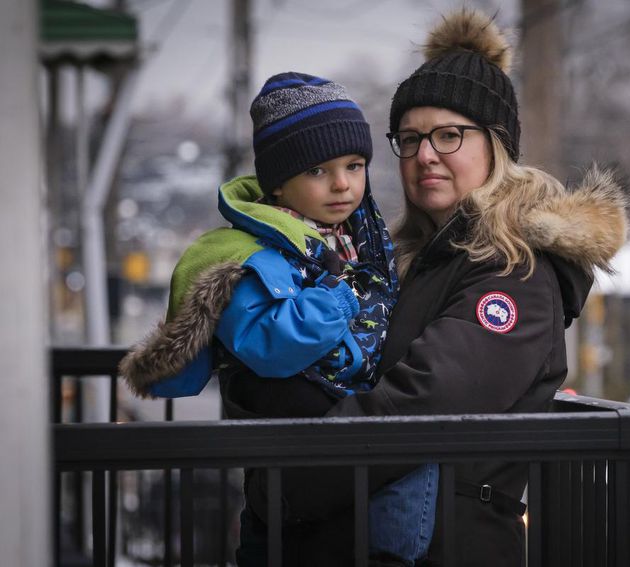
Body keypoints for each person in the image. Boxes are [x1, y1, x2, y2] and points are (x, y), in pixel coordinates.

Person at [276, 9, 630, 566]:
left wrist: (288, 479)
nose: (424, 156)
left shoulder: (517, 271)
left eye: (449, 135)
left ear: (495, 144)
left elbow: (424, 401)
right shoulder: (407, 260)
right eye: (410, 139)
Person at [118, 72, 437, 566]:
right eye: (318, 171)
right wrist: (335, 301)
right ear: (279, 185)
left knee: (412, 463)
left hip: (348, 438)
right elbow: (266, 345)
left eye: (355, 165)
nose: (342, 184)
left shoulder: (359, 241)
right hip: (299, 451)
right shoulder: (245, 258)